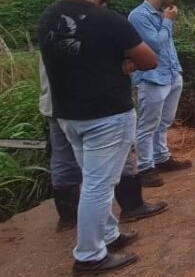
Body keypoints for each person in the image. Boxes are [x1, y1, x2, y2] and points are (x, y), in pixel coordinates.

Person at [38, 0, 159, 276]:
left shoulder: (49, 16)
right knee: (98, 185)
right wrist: (126, 58)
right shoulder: (108, 20)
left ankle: (109, 235)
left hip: (67, 115)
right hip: (105, 114)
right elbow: (149, 60)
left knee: (94, 177)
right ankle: (90, 256)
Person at [40, 60, 167, 230]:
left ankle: (69, 217)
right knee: (119, 159)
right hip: (96, 106)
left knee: (63, 160)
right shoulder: (92, 34)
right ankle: (132, 206)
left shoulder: (49, 33)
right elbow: (146, 58)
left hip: (56, 104)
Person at [128, 0, 192, 187]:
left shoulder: (161, 14)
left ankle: (162, 157)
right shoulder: (139, 16)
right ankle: (146, 167)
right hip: (152, 77)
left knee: (164, 121)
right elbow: (154, 44)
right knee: (148, 124)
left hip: (171, 73)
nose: (175, 0)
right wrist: (168, 21)